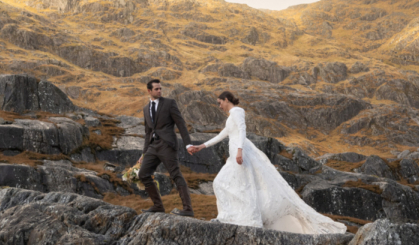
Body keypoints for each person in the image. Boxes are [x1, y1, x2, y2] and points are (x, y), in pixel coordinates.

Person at [187, 91, 347, 235]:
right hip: (235, 154)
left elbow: (242, 130)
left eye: (219, 102)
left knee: (234, 185)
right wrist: (201, 146)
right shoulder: (231, 115)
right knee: (226, 184)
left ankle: (244, 218)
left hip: (240, 153)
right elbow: (222, 134)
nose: (219, 105)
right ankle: (233, 216)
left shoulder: (237, 112)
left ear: (226, 99)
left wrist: (240, 150)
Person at [139, 78, 195, 216]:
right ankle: (158, 206)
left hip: (167, 145)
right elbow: (148, 132)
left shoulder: (169, 103)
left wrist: (188, 144)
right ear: (149, 91)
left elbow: (181, 124)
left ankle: (188, 209)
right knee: (143, 174)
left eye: (160, 88)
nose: (159, 91)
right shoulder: (146, 109)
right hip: (152, 146)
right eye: (156, 89)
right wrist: (144, 153)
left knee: (176, 175)